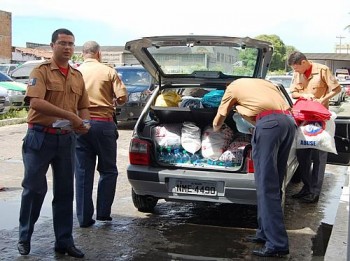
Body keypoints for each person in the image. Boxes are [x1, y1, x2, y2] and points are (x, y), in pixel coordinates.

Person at [17, 28, 90, 258]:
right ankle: (24, 238)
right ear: (52, 46)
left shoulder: (77, 76)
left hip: (65, 139)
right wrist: (72, 117)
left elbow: (84, 106)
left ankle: (64, 242)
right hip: (39, 137)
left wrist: (84, 122)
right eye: (62, 43)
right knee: (34, 189)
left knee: (65, 192)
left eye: (71, 44)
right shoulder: (41, 71)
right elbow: (36, 103)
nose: (67, 47)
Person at [213, 78, 296, 258]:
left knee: (266, 187)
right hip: (288, 123)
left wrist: (216, 130)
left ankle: (277, 244)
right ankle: (264, 232)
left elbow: (218, 119)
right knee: (274, 183)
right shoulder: (264, 83)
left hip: (268, 125)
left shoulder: (232, 88)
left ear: (227, 85)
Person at [74, 41, 127, 228]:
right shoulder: (108, 71)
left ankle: (84, 218)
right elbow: (122, 98)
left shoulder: (75, 72)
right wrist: (111, 99)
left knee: (82, 173)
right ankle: (103, 214)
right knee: (108, 171)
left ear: (82, 54)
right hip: (104, 125)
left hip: (80, 124)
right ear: (99, 53)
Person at [288, 51, 341, 203]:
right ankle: (306, 188)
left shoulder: (322, 70)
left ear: (304, 62)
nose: (295, 71)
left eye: (296, 68)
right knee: (302, 154)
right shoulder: (298, 73)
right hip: (303, 117)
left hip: (319, 118)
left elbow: (337, 89)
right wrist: (304, 96)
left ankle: (315, 192)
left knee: (318, 156)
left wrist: (322, 99)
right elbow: (293, 92)